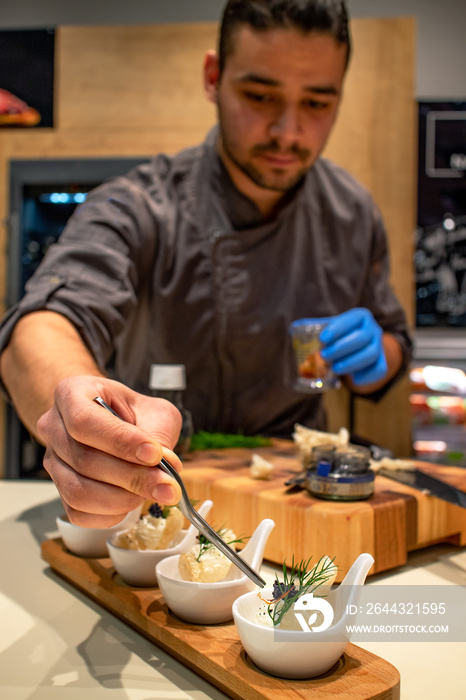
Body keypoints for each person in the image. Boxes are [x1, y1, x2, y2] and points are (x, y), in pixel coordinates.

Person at [0, 0, 412, 527]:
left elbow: (395, 342)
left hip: (297, 499)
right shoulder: (139, 204)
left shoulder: (352, 213)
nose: (288, 132)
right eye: (260, 96)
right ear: (214, 77)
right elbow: (38, 327)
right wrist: (77, 406)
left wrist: (380, 355)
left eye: (316, 103)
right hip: (151, 492)